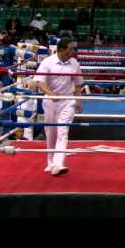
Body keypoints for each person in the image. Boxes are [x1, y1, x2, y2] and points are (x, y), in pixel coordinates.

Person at [33, 38, 83, 176]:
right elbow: (39, 81)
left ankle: (59, 164)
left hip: (68, 101)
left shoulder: (74, 63)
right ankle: (51, 163)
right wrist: (50, 93)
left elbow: (78, 84)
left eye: (73, 49)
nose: (73, 52)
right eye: (70, 49)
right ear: (61, 49)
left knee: (63, 131)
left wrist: (79, 101)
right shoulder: (47, 62)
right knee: (51, 133)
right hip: (50, 101)